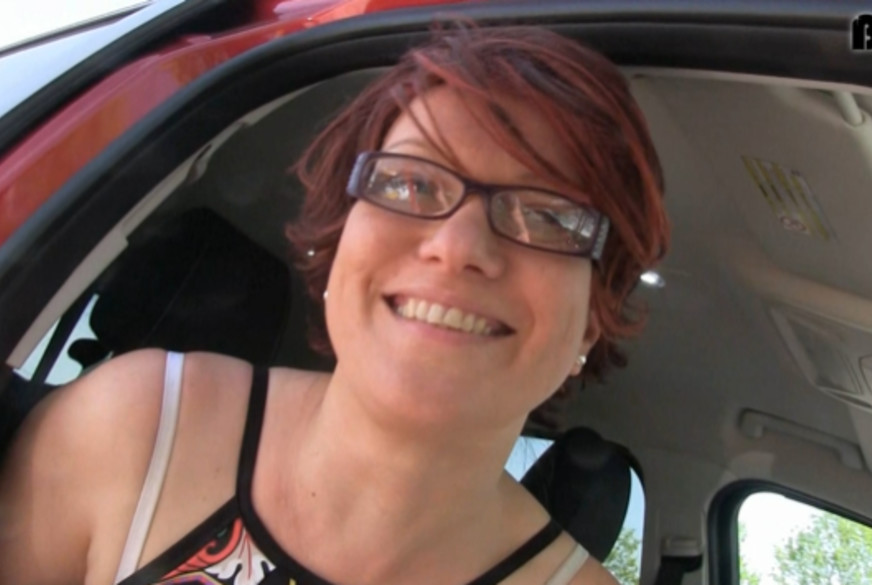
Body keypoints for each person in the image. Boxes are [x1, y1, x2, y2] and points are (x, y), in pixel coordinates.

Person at [0, 22, 668, 585]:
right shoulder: (134, 431)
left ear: (592, 320)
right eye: (408, 184)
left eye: (546, 218)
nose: (457, 246)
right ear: (339, 241)